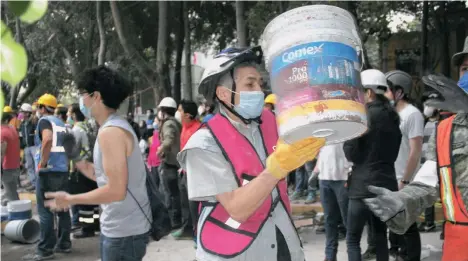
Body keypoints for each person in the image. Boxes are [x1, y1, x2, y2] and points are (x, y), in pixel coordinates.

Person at [177, 46, 325, 261]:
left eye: (260, 83)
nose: (259, 90)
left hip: (283, 244)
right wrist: (276, 169)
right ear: (223, 94)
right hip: (235, 252)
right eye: (250, 84)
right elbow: (237, 209)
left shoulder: (272, 124)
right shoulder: (204, 144)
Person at [365, 39, 468, 261]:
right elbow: (428, 183)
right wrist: (402, 201)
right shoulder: (445, 130)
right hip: (457, 245)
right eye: (465, 69)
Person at [44, 66, 151, 261]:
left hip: (124, 233)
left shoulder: (111, 132)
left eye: (83, 94)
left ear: (96, 96)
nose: (81, 99)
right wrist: (78, 160)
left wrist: (71, 199)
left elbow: (116, 191)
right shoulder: (112, 127)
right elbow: (103, 175)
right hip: (121, 229)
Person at [344, 69, 402, 261]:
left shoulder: (362, 116)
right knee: (380, 238)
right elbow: (392, 154)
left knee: (352, 239)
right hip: (385, 186)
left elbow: (351, 154)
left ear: (368, 92)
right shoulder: (393, 118)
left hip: (361, 188)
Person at [21, 94, 72, 261]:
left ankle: (45, 250)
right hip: (62, 171)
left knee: (45, 212)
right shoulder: (62, 124)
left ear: (43, 108)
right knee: (62, 209)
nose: (36, 110)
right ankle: (64, 244)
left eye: (38, 107)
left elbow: (48, 139)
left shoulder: (45, 121)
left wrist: (42, 164)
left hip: (48, 172)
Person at [385, 70, 424, 261]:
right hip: (391, 174)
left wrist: (406, 179)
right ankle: (400, 253)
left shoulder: (412, 114)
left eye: (387, 90)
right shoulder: (390, 114)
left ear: (399, 91)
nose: (384, 94)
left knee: (408, 224)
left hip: (405, 177)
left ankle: (412, 257)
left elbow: (415, 150)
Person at [67, 103, 99, 238]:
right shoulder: (89, 126)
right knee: (94, 199)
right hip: (93, 165)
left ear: (74, 115)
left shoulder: (76, 130)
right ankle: (96, 224)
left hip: (82, 169)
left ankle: (87, 229)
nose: (68, 115)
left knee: (85, 201)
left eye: (69, 113)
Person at [172, 100, 201, 241]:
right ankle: (187, 228)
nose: (178, 113)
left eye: (180, 110)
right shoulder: (184, 126)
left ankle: (198, 234)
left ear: (188, 115)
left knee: (194, 205)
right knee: (184, 203)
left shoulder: (199, 129)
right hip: (184, 171)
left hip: (195, 173)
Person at [315, 143, 351, 261]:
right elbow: (320, 151)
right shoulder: (322, 130)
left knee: (348, 220)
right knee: (329, 219)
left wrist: (351, 173)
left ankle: (352, 254)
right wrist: (316, 169)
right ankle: (330, 256)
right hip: (324, 178)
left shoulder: (346, 127)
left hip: (343, 178)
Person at [157, 97, 183, 229]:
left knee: (171, 195)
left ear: (163, 111)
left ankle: (174, 223)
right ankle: (174, 221)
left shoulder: (168, 124)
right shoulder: (175, 122)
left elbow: (169, 139)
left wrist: (160, 150)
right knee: (173, 194)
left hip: (169, 164)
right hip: (174, 164)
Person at [1, 111, 21, 206]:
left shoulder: (2, 132)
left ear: (4, 120)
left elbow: (1, 152)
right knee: (10, 191)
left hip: (6, 167)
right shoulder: (12, 129)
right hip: (15, 166)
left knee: (12, 194)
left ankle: (20, 216)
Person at [19, 103, 37, 191]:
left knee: (37, 166)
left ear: (27, 113)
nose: (20, 113)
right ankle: (34, 183)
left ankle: (39, 184)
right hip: (27, 147)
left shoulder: (34, 122)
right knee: (29, 166)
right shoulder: (22, 123)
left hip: (34, 147)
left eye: (22, 112)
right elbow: (21, 135)